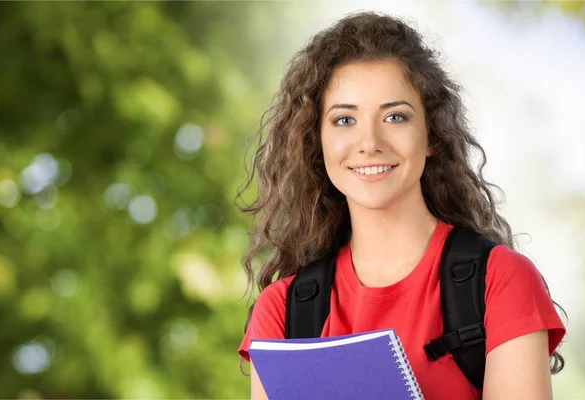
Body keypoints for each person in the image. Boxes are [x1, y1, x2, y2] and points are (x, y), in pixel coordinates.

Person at [235, 11, 566, 400]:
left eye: (395, 116)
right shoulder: (283, 311)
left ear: (432, 136)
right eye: (344, 120)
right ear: (316, 142)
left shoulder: (501, 281)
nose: (369, 141)